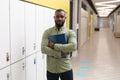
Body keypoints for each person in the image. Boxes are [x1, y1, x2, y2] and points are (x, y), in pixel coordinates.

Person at [41, 9, 77, 80]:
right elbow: (43, 49)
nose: (59, 18)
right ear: (54, 18)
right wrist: (60, 53)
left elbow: (73, 46)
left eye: (62, 16)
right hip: (51, 69)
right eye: (57, 16)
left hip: (66, 68)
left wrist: (54, 46)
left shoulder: (70, 32)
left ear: (65, 18)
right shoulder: (47, 32)